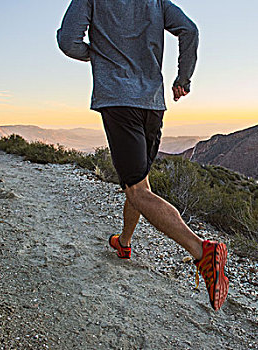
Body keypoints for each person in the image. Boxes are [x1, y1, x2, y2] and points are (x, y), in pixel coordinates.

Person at [57, 0, 229, 311]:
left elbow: (69, 41)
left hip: (118, 100)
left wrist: (99, 55)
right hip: (152, 104)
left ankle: (201, 251)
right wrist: (183, 79)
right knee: (139, 184)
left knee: (136, 188)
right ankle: (123, 243)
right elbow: (189, 30)